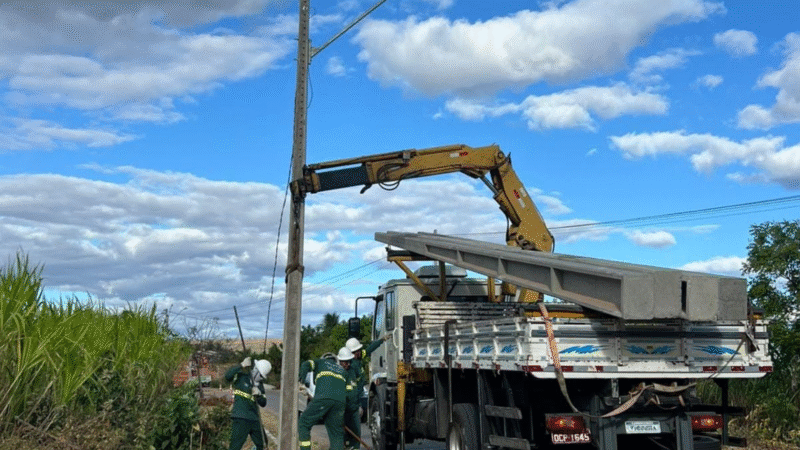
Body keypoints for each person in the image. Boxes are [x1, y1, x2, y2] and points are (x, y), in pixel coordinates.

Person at [298, 348, 353, 450]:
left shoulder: (320, 362)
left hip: (323, 398)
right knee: (336, 434)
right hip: (340, 403)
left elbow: (306, 364)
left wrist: (301, 379)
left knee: (303, 423)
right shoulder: (343, 371)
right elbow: (349, 393)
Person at [343, 335, 389, 450]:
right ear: (351, 353)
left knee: (355, 431)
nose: (359, 353)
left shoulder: (358, 358)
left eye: (358, 351)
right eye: (356, 351)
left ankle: (352, 447)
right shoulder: (350, 366)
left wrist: (381, 341)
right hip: (350, 403)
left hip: (355, 401)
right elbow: (351, 389)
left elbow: (368, 350)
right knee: (350, 431)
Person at [225, 357, 271, 450]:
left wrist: (258, 394)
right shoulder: (242, 377)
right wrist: (241, 365)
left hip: (254, 418)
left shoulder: (260, 385)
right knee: (235, 446)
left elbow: (263, 403)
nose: (260, 378)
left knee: (262, 444)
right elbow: (228, 376)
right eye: (260, 375)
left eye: (262, 377)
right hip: (241, 416)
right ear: (255, 370)